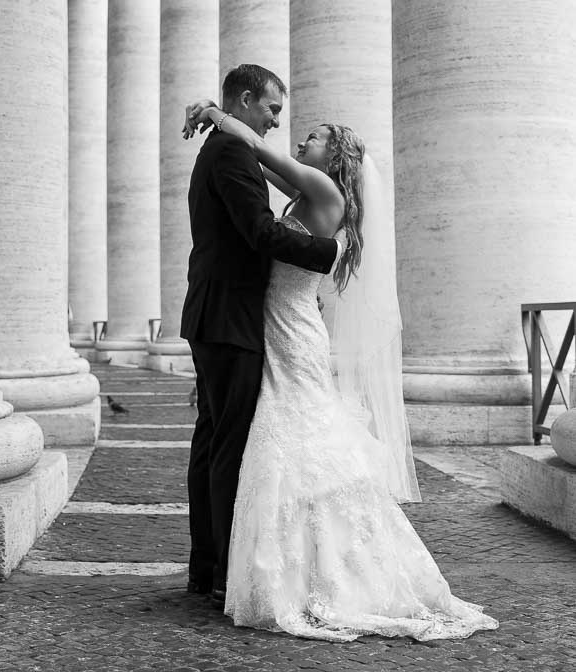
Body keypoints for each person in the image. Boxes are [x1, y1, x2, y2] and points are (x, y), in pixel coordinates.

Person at [184, 101, 499, 642]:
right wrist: (225, 148)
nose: (301, 138)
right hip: (278, 325)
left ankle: (307, 567)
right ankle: (281, 561)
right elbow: (250, 174)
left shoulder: (322, 191)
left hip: (292, 329)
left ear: (335, 156)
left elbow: (257, 150)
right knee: (282, 436)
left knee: (294, 436)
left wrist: (216, 112)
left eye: (314, 136)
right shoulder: (308, 195)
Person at [180, 64, 344, 610]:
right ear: (248, 100)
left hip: (248, 320)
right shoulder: (231, 152)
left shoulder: (243, 152)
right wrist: (329, 254)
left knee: (217, 442)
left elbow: (269, 167)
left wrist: (215, 113)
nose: (280, 122)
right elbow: (259, 231)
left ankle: (209, 567)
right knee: (227, 445)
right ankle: (224, 571)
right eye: (273, 109)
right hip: (233, 320)